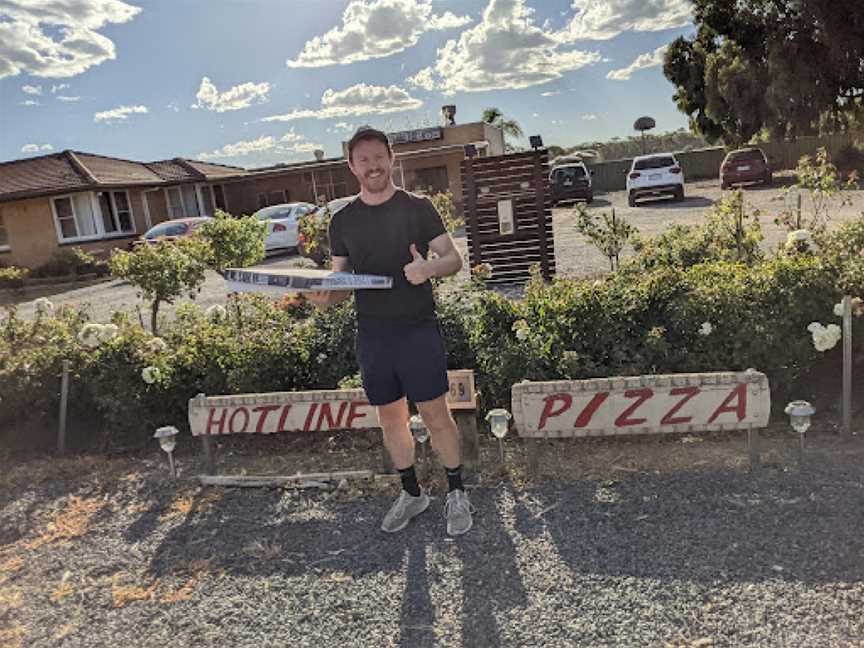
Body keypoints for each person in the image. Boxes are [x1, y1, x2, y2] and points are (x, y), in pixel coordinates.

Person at [304, 127, 473, 536]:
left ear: (391, 158)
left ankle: (456, 492)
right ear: (351, 166)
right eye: (363, 159)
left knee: (435, 414)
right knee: (391, 418)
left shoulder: (418, 207)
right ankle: (413, 494)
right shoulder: (342, 220)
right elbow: (341, 285)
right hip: (374, 335)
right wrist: (321, 297)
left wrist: (427, 269)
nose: (373, 165)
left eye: (379, 157)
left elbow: (453, 259)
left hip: (418, 329)